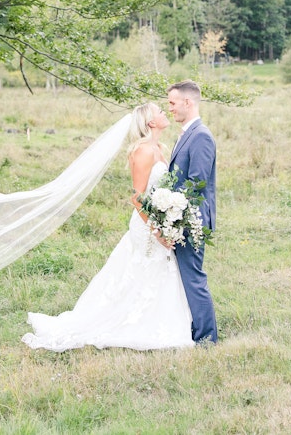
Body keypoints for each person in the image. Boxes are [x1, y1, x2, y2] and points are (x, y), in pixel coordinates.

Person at [21, 102, 194, 351]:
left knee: (157, 271)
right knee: (142, 270)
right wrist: (157, 230)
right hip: (146, 226)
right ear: (150, 122)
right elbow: (137, 197)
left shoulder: (158, 148)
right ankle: (132, 323)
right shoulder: (143, 151)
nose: (165, 112)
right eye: (159, 111)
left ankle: (159, 321)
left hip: (158, 221)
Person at [166, 80, 218, 344]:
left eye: (173, 103)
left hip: (191, 222)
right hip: (180, 219)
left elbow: (196, 184)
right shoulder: (187, 133)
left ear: (188, 102)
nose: (170, 108)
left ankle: (207, 337)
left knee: (193, 278)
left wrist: (173, 215)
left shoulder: (201, 136)